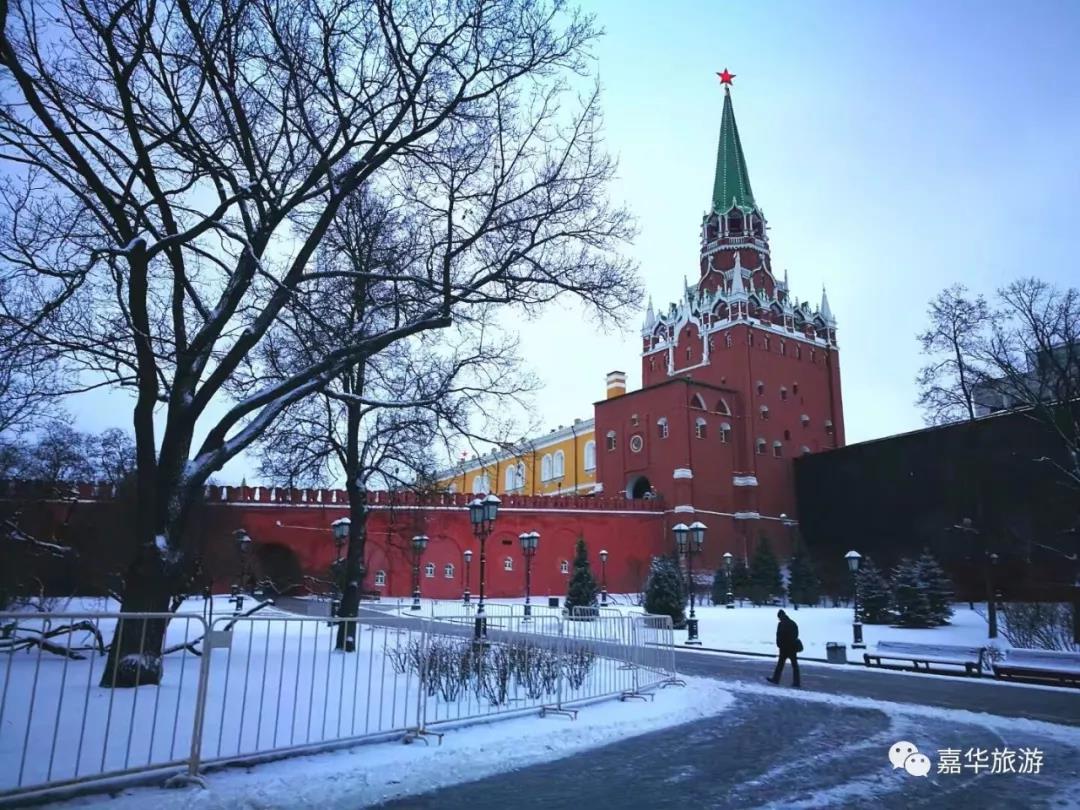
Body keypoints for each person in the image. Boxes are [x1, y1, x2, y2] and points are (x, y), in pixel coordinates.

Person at [766, 608, 801, 687]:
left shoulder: (782, 624)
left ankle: (776, 679)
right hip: (791, 647)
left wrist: (780, 644)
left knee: (781, 664)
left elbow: (779, 636)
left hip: (784, 648)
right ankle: (796, 682)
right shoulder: (792, 623)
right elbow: (795, 635)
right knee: (794, 665)